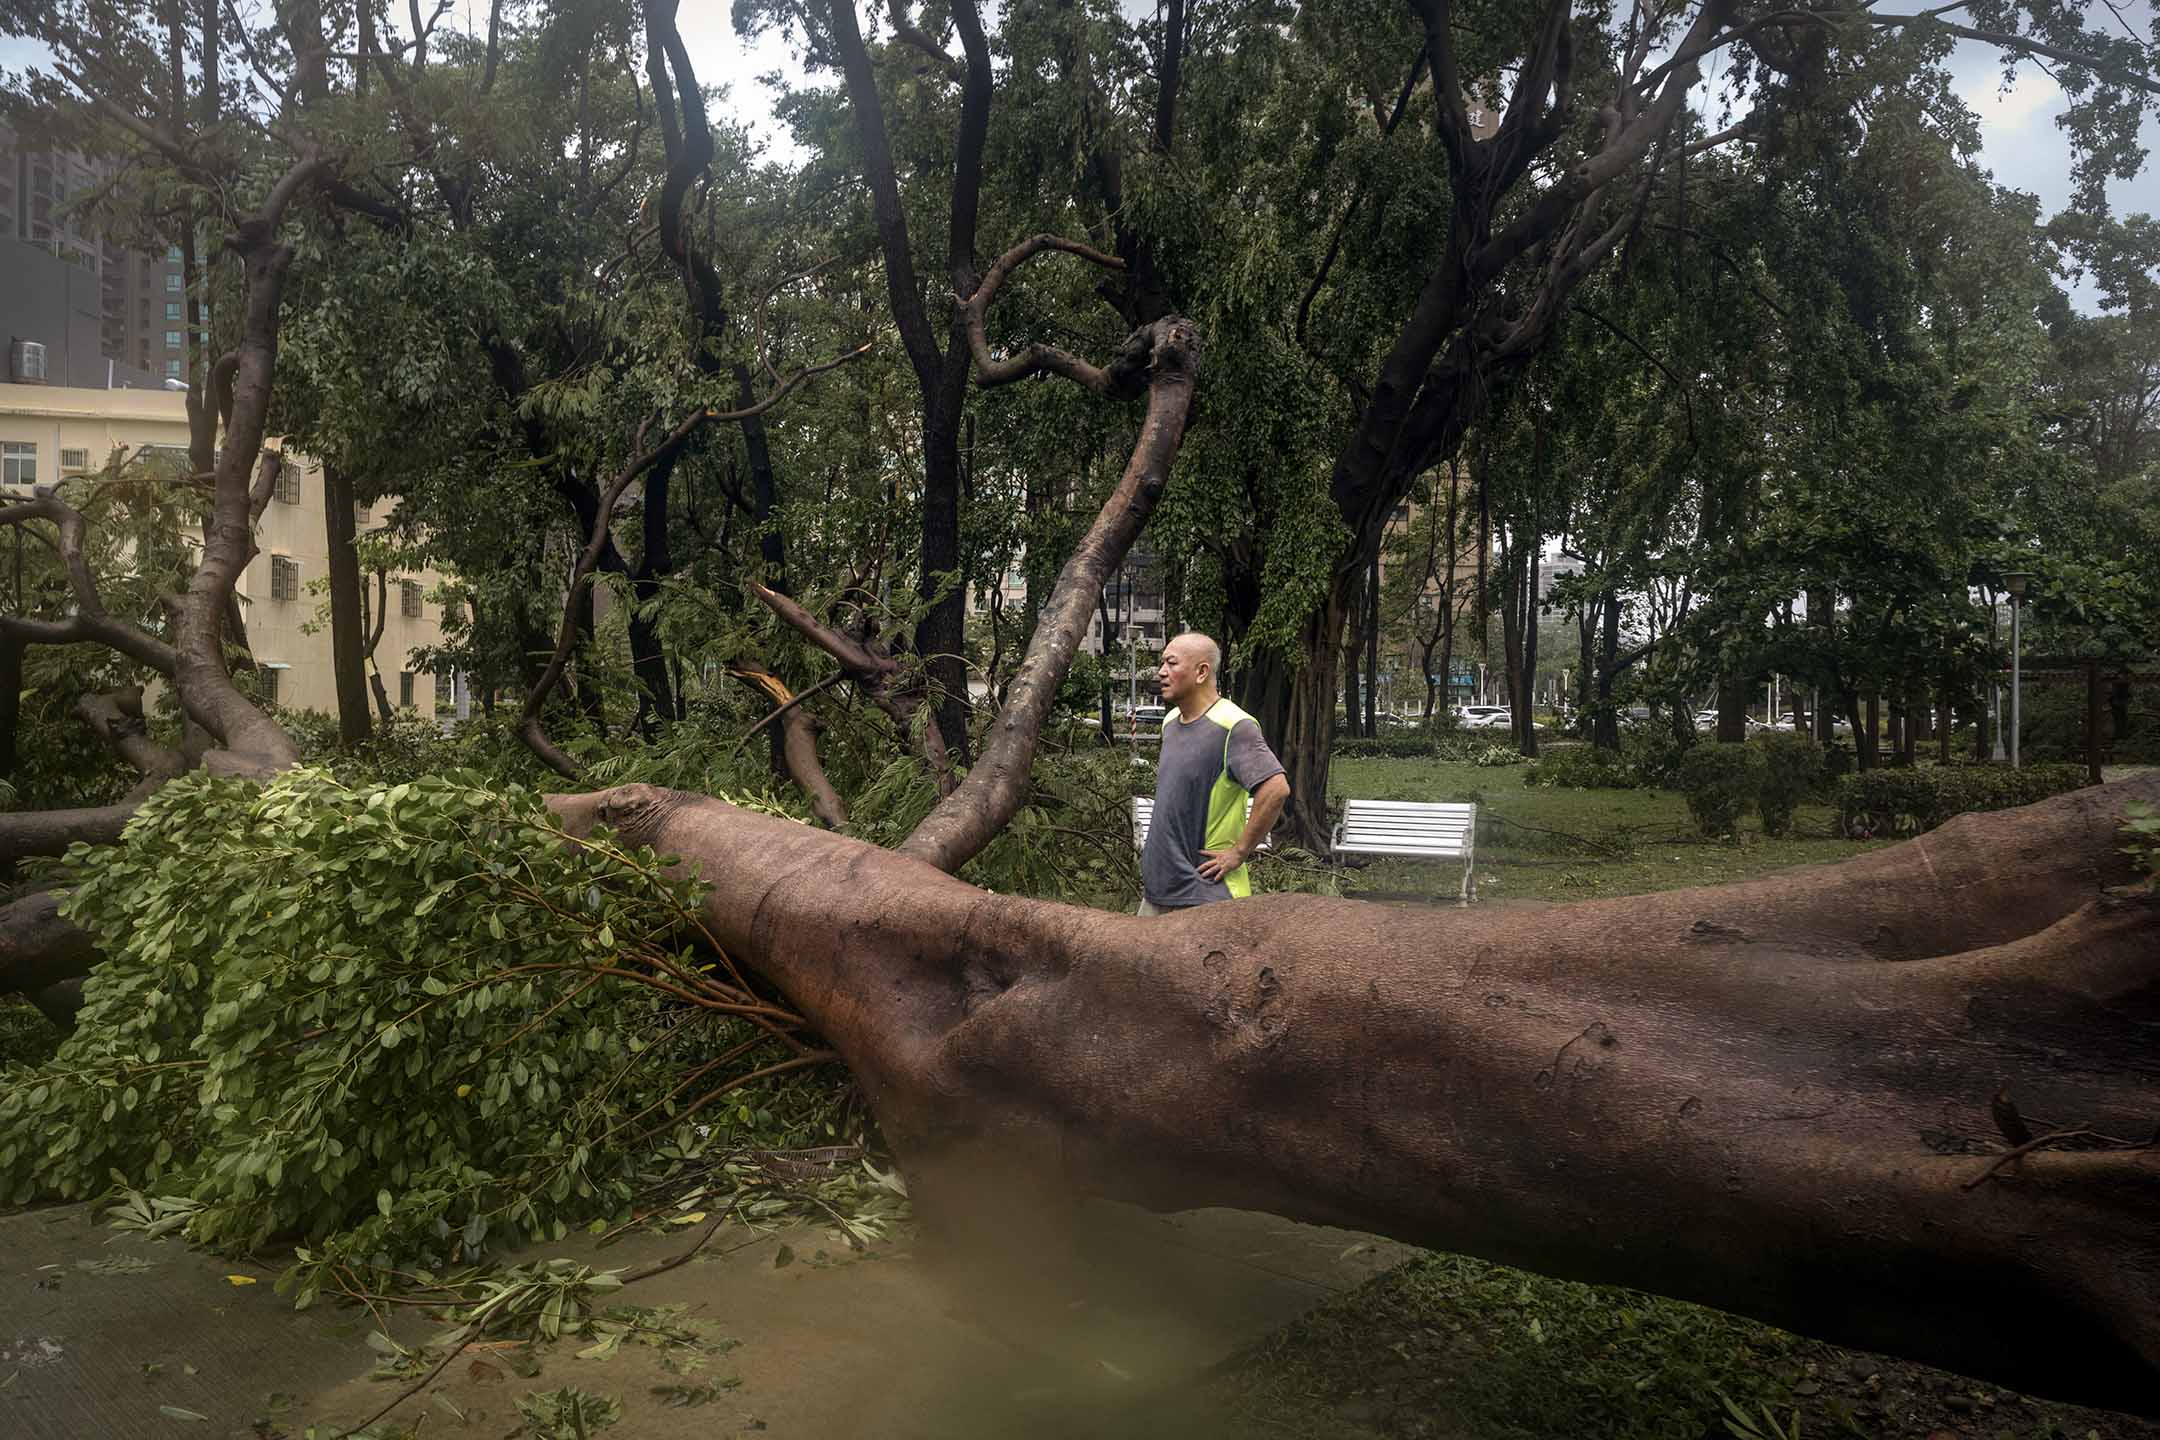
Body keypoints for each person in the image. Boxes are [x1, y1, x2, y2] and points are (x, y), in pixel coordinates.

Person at [1138, 632, 1291, 915]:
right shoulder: (1170, 722)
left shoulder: (1234, 726)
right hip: (1159, 890)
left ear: (1201, 672)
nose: (1161, 672)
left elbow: (1276, 789)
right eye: (1162, 664)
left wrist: (1239, 853)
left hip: (1203, 894)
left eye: (1171, 663)